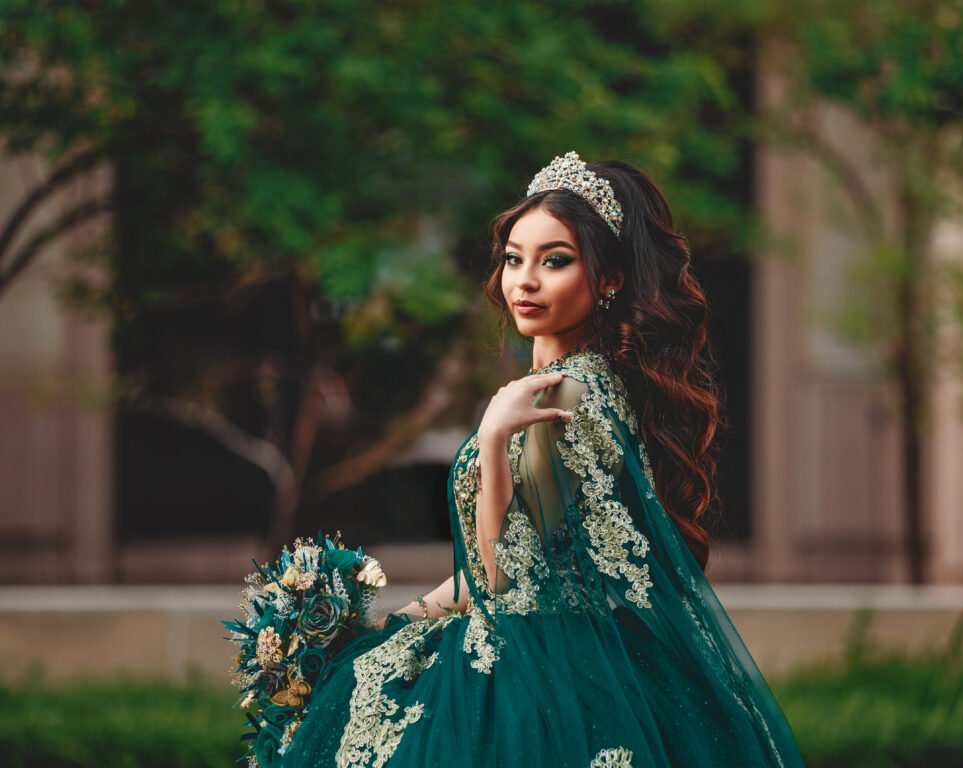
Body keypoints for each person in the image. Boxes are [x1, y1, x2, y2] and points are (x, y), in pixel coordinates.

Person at [278, 151, 806, 767]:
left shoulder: (567, 394)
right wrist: (394, 620)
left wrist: (495, 440)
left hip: (530, 674)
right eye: (513, 259)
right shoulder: (574, 381)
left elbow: (504, 578)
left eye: (555, 261)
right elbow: (509, 562)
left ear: (608, 278)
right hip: (545, 653)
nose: (524, 281)